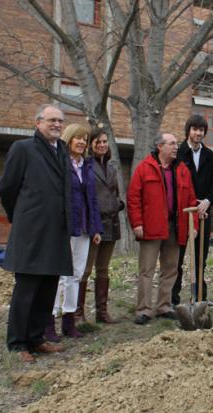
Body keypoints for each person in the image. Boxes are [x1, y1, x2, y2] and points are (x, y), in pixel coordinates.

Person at [0, 104, 71, 363]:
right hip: (31, 232)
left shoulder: (62, 150)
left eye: (60, 121)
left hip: (56, 233)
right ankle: (18, 344)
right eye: (51, 120)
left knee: (47, 289)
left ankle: (37, 338)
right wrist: (19, 217)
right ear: (38, 122)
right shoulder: (23, 149)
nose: (57, 125)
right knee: (26, 290)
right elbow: (7, 188)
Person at [127, 133, 198, 325]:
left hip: (176, 227)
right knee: (146, 270)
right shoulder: (144, 168)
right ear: (160, 146)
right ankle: (143, 310)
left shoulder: (182, 169)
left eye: (176, 144)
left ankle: (164, 306)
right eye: (172, 144)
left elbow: (192, 199)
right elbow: (133, 199)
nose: (176, 147)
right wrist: (137, 224)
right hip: (150, 227)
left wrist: (194, 225)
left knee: (170, 269)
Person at [47, 124, 103, 341]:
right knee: (59, 276)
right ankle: (50, 322)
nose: (82, 142)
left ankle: (69, 322)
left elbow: (93, 200)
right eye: (78, 138)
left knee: (76, 275)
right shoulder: (60, 163)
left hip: (84, 229)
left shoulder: (87, 165)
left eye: (85, 139)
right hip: (64, 229)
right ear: (68, 139)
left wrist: (96, 227)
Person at [76, 128, 125, 324]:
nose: (102, 145)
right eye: (98, 142)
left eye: (105, 141)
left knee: (103, 269)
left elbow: (116, 193)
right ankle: (78, 313)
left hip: (111, 223)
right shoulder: (85, 165)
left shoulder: (112, 167)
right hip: (93, 225)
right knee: (85, 269)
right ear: (91, 145)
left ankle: (102, 312)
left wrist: (118, 204)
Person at [172, 115, 213, 309]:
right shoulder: (179, 152)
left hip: (204, 212)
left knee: (202, 257)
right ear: (188, 131)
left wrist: (207, 202)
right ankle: (173, 300)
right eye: (195, 129)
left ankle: (200, 298)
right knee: (177, 259)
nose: (198, 133)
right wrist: (192, 204)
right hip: (183, 213)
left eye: (201, 130)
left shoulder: (208, 154)